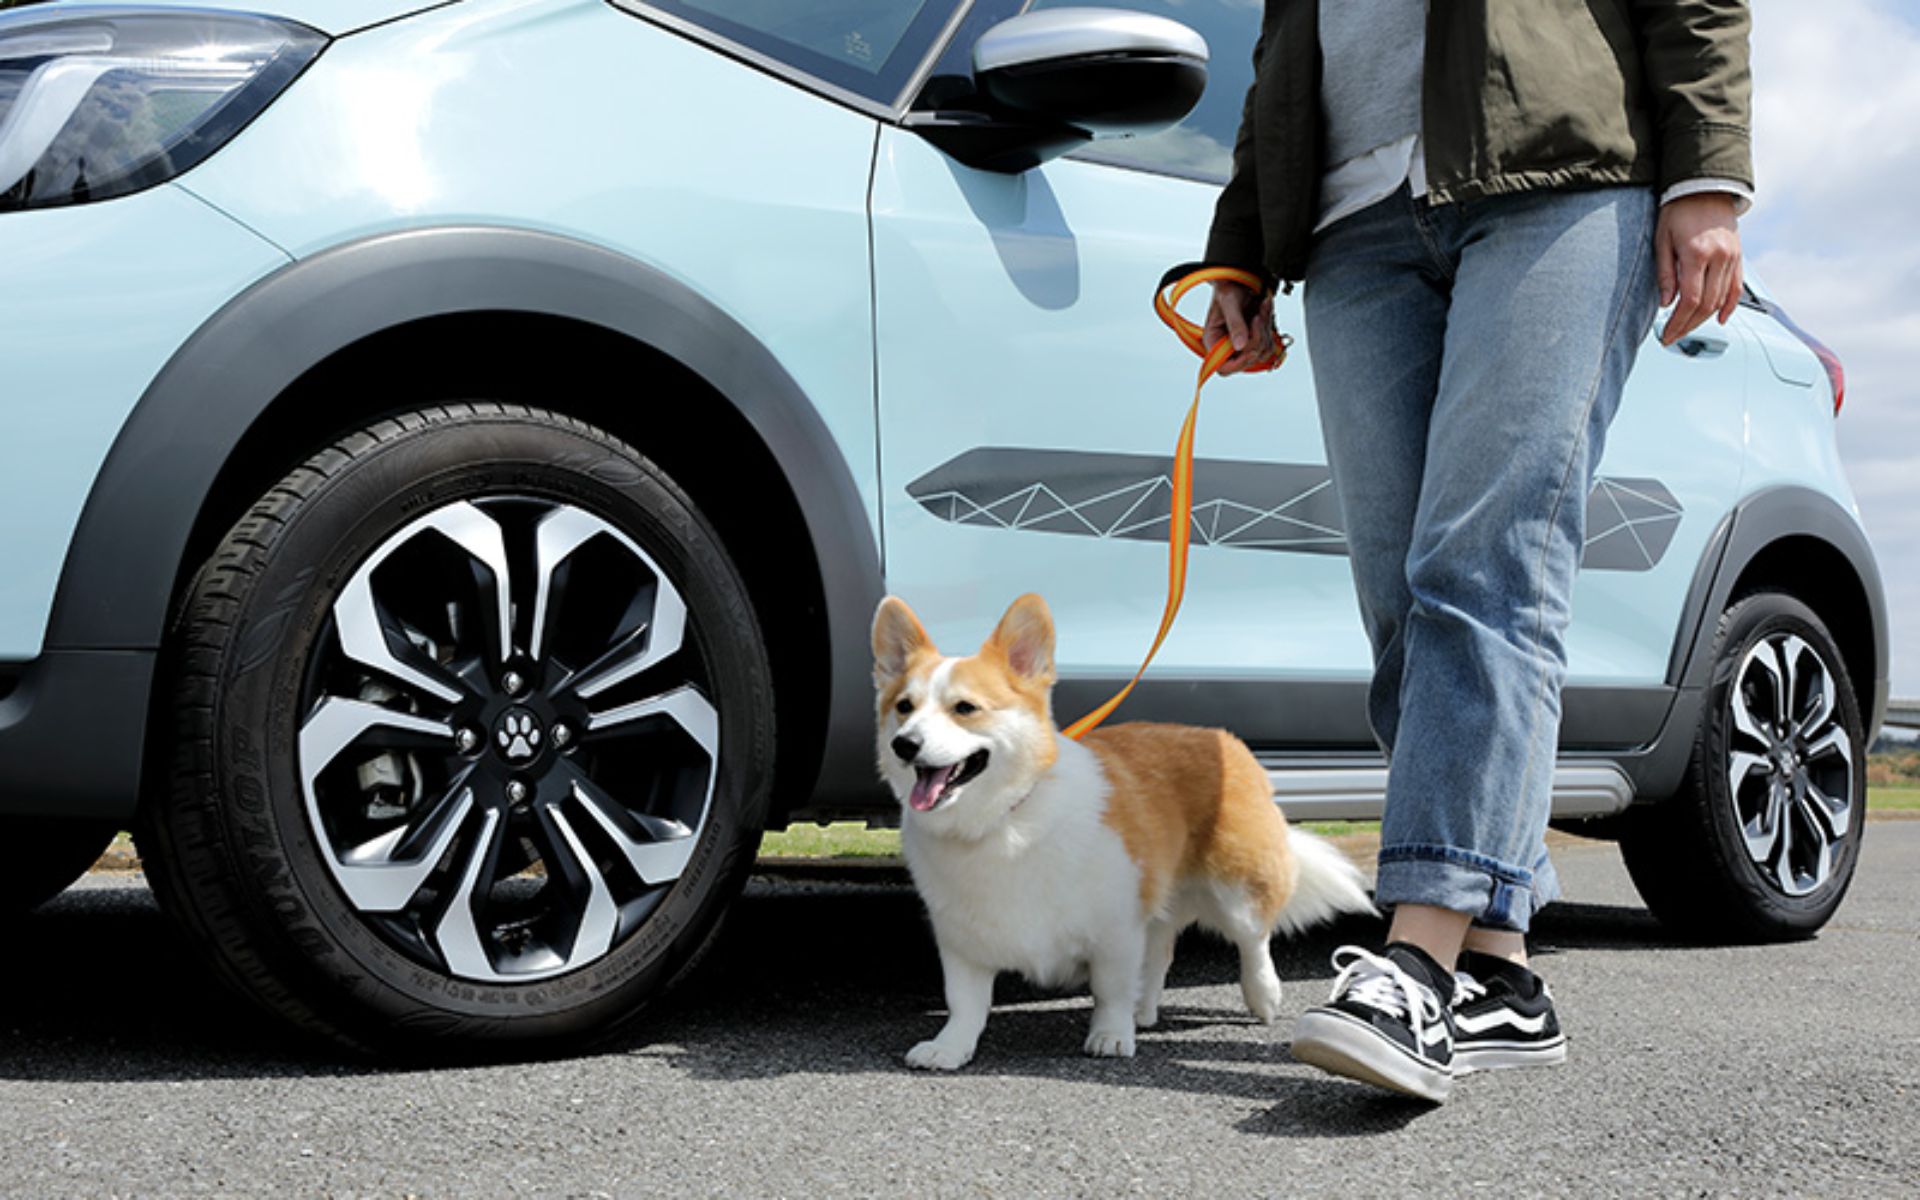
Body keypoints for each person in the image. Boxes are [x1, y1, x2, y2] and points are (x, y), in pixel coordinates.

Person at [1201, 1, 1751, 1103]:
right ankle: (1502, 975)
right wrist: (1244, 248)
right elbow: (1283, 51)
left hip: (1554, 177)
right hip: (1350, 219)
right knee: (1404, 597)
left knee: (1485, 564)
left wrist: (1710, 171)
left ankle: (1416, 959)